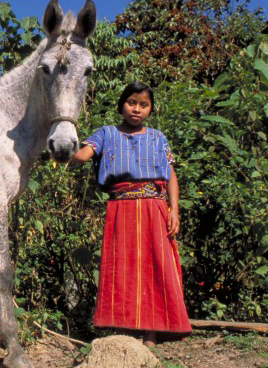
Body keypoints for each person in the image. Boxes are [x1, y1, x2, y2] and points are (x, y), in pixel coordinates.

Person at [71, 82, 192, 346]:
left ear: (150, 109)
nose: (136, 109)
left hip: (154, 206)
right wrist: (61, 142)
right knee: (123, 267)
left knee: (155, 266)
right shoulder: (105, 133)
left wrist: (174, 211)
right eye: (131, 102)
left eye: (144, 105)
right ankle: (126, 331)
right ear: (122, 104)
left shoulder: (158, 137)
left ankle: (151, 332)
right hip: (121, 208)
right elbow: (81, 156)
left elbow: (171, 176)